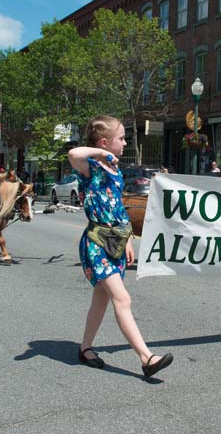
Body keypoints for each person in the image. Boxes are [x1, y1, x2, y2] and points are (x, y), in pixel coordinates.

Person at [69, 115, 173, 378]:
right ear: (105, 142)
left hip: (115, 241)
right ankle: (146, 358)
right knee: (122, 298)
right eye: (121, 138)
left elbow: (118, 207)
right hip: (96, 243)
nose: (125, 143)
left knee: (101, 300)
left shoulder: (115, 172)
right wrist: (100, 154)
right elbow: (73, 152)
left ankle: (85, 348)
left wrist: (127, 238)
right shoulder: (90, 166)